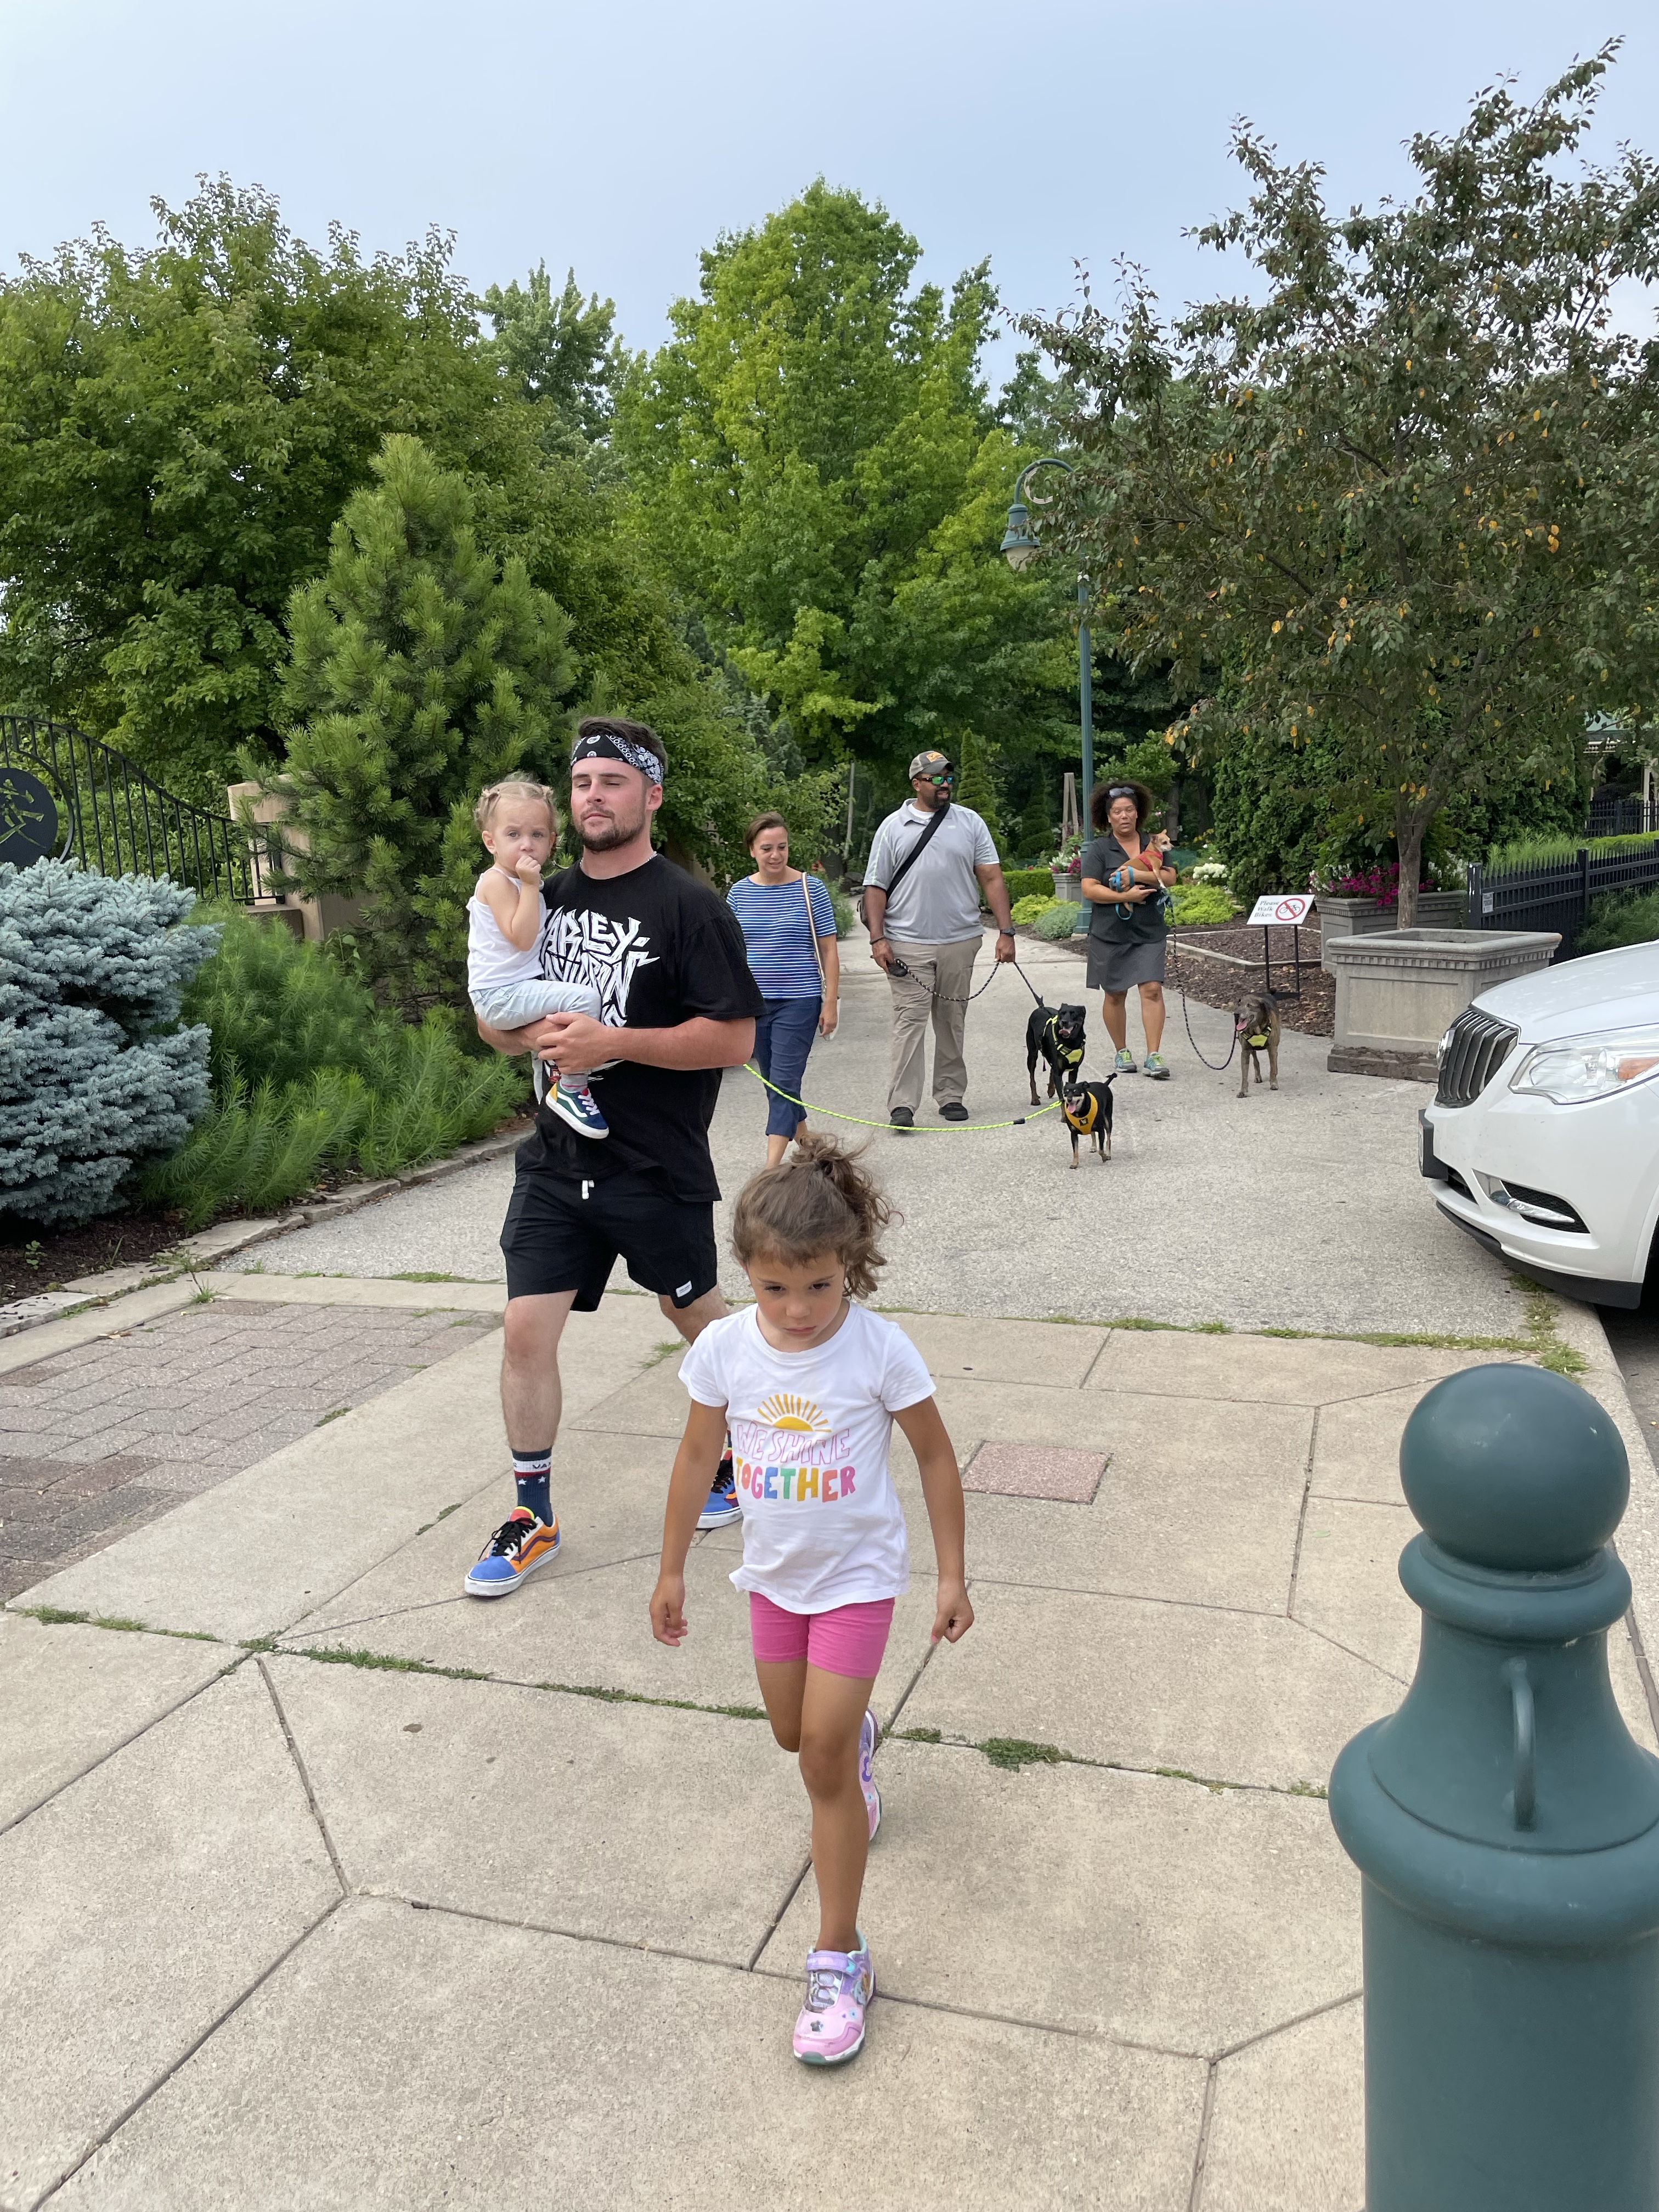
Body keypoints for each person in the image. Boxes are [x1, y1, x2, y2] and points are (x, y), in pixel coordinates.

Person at [650, 1135, 972, 2066]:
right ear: (746, 1274)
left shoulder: (878, 1349)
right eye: (774, 1288)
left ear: (850, 1264)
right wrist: (671, 1568)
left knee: (819, 1763)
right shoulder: (723, 1349)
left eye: (819, 1286)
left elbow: (935, 1457)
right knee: (796, 1736)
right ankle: (852, 1741)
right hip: (775, 1582)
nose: (797, 1310)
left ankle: (840, 1956)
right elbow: (694, 1457)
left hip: (857, 1582)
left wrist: (950, 1574)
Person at [464, 716, 765, 1599]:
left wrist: (613, 1045)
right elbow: (491, 1019)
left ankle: (745, 1452)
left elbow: (735, 1038)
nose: (594, 796)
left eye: (614, 781)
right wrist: (527, 1035)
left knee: (698, 1320)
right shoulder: (537, 890)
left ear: (651, 795)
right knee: (525, 1330)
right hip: (557, 1159)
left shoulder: (690, 907)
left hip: (654, 1162)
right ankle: (533, 1516)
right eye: (583, 783)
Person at [861, 749, 1015, 1132]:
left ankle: (950, 1095)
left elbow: (991, 877)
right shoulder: (892, 827)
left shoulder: (970, 822)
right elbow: (875, 886)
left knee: (951, 1021)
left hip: (960, 941)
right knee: (909, 1022)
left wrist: (1006, 931)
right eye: (937, 778)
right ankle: (902, 1105)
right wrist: (878, 939)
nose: (945, 784)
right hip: (907, 944)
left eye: (948, 777)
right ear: (917, 783)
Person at [467, 779, 610, 1139]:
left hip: (513, 989)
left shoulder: (523, 884)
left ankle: (549, 1105)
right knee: (584, 1000)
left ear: (552, 842)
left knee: (543, 1048)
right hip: (499, 993)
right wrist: (531, 886)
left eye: (537, 835)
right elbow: (522, 937)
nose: (526, 844)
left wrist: (531, 886)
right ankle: (573, 1088)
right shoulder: (498, 882)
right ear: (491, 842)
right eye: (513, 834)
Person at [726, 814, 840, 1168]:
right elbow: (729, 950)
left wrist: (830, 1002)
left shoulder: (811, 888)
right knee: (774, 1083)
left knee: (784, 1082)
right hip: (755, 1004)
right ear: (752, 851)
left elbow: (829, 950)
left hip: (799, 1001)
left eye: (782, 847)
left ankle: (770, 1171)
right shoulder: (739, 893)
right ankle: (810, 1147)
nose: (775, 855)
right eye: (767, 848)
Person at [1079, 779, 1179, 1080]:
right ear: (1108, 817)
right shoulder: (1100, 849)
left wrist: (1137, 875)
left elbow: (1170, 877)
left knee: (1152, 989)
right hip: (1110, 932)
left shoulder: (1154, 843)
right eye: (1117, 811)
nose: (1124, 816)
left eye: (1130, 810)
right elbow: (1089, 889)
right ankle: (1122, 1051)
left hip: (1149, 930)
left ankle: (1154, 1055)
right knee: (1115, 994)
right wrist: (1126, 897)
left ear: (1138, 813)